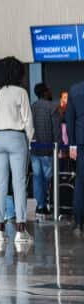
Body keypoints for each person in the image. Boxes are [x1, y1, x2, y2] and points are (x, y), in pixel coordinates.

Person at [0, 57, 32, 247]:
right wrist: (28, 141)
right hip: (16, 137)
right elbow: (28, 120)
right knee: (19, 182)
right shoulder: (20, 92)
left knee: (0, 183)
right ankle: (20, 230)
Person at [29, 82, 60, 217]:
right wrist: (58, 146)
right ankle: (47, 203)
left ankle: (40, 206)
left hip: (35, 149)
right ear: (45, 92)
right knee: (48, 178)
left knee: (37, 177)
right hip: (48, 149)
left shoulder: (32, 107)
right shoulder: (53, 107)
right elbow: (56, 130)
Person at [65, 80, 84, 233]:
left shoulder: (75, 89)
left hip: (81, 141)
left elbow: (69, 119)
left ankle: (78, 222)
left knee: (80, 181)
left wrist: (72, 144)